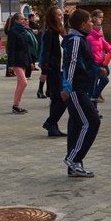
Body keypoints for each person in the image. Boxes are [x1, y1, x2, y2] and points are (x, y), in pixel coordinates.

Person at [61, 9, 105, 177]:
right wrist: (67, 88)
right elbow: (70, 64)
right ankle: (73, 158)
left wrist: (97, 69)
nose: (92, 24)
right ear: (82, 24)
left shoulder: (82, 39)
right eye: (89, 21)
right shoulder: (76, 40)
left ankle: (74, 166)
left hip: (80, 87)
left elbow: (86, 61)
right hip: (74, 89)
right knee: (91, 122)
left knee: (77, 125)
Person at [38, 7, 68, 137]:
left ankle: (53, 127)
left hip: (61, 69)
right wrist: (45, 70)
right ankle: (50, 122)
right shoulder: (50, 32)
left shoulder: (60, 31)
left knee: (56, 99)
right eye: (59, 15)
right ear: (52, 17)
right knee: (63, 98)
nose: (62, 17)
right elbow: (47, 52)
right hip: (53, 69)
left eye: (62, 15)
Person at [87, 10, 111, 112]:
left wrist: (110, 49)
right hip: (94, 64)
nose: (100, 27)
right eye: (98, 25)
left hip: (100, 61)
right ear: (92, 26)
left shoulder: (99, 36)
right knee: (102, 81)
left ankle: (94, 109)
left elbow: (105, 43)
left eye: (100, 25)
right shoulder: (89, 37)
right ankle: (93, 102)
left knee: (93, 86)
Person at [6, 12, 31, 114]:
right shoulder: (13, 32)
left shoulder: (23, 32)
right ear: (16, 20)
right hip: (16, 60)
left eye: (24, 19)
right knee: (23, 82)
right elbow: (11, 49)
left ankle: (16, 105)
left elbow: (26, 48)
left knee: (20, 83)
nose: (24, 21)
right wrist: (10, 64)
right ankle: (16, 105)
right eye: (21, 19)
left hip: (23, 60)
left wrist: (30, 61)